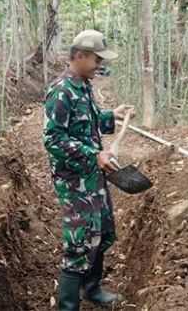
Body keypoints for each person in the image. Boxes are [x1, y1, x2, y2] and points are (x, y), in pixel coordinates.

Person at [43, 29, 134, 310]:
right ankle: (68, 306)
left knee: (104, 233)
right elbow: (53, 139)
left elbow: (87, 123)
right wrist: (93, 155)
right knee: (79, 244)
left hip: (94, 177)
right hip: (74, 183)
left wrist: (111, 115)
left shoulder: (83, 84)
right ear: (79, 56)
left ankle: (91, 289)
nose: (100, 65)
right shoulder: (61, 91)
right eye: (96, 59)